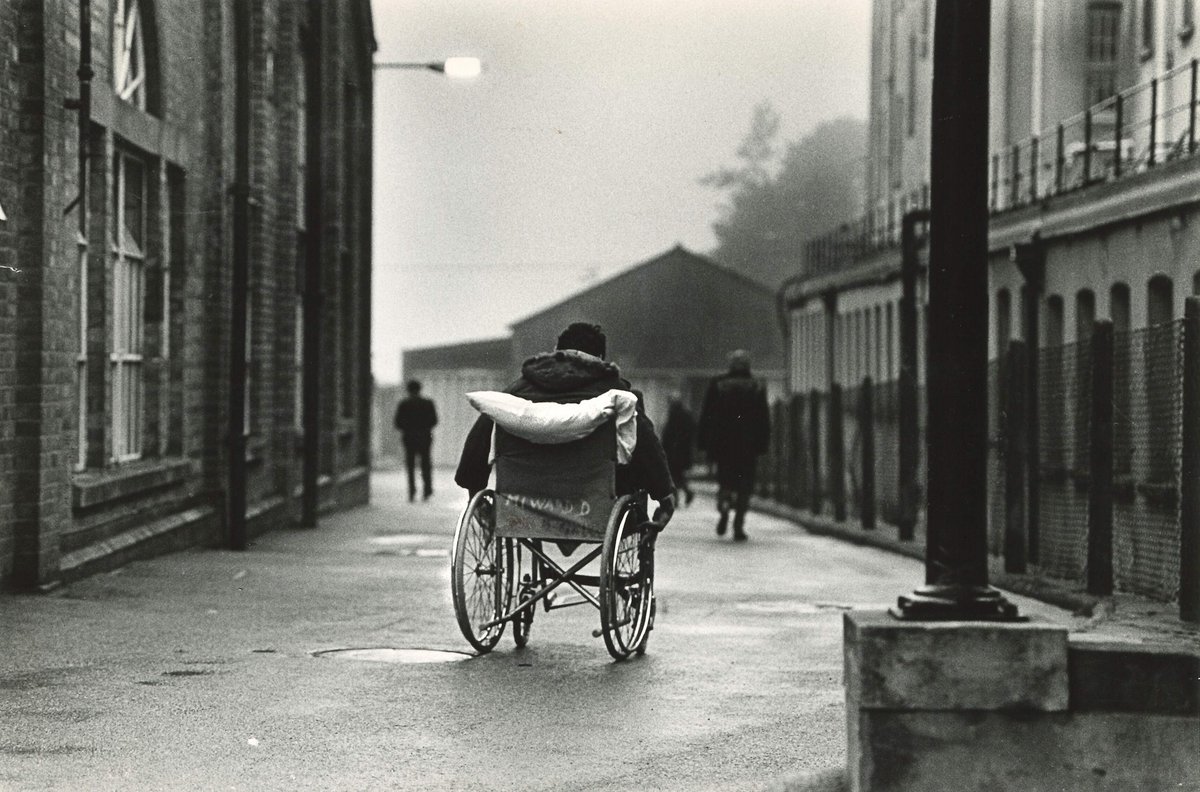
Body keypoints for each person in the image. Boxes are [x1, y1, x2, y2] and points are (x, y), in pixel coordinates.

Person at [455, 322, 676, 527]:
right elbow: (647, 444)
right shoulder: (615, 391)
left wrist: (474, 487)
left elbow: (481, 434)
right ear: (600, 357)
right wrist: (665, 495)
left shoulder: (521, 388)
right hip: (595, 505)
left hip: (525, 502)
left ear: (556, 352)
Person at [697, 350, 770, 541]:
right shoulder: (756, 386)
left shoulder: (719, 385)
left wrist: (704, 442)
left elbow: (707, 415)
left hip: (723, 446)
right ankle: (738, 523)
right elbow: (763, 419)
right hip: (748, 446)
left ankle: (724, 507)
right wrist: (762, 444)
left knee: (725, 481)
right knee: (745, 485)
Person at [394, 379, 438, 502]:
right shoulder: (428, 403)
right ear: (420, 389)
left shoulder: (404, 404)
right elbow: (434, 421)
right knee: (426, 464)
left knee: (410, 465)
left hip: (409, 438)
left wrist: (409, 427)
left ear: (408, 390)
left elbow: (397, 423)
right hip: (425, 437)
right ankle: (427, 491)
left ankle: (412, 492)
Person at [660, 394, 696, 506]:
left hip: (673, 452)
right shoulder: (687, 416)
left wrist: (663, 449)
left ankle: (677, 498)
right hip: (683, 452)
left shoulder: (673, 416)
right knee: (678, 476)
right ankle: (686, 492)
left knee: (673, 476)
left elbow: (667, 435)